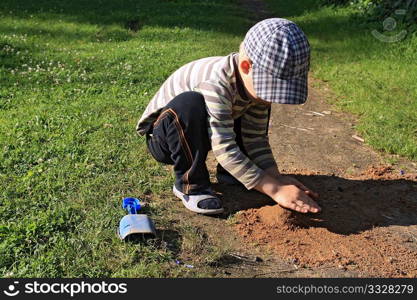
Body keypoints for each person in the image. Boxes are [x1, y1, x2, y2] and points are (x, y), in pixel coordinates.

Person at [136, 18, 321, 215]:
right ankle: (191, 185)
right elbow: (224, 147)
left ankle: (232, 174)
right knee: (191, 104)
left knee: (248, 109)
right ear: (246, 66)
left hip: (208, 131)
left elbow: (255, 137)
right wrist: (274, 190)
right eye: (270, 89)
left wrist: (274, 176)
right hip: (166, 139)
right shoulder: (216, 82)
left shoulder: (252, 88)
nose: (270, 99)